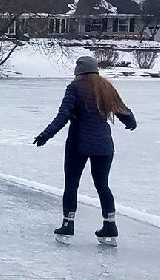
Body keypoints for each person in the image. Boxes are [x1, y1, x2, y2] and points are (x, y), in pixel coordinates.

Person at [33, 55, 137, 243]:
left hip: (78, 143)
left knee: (71, 184)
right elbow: (121, 109)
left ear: (78, 71)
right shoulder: (106, 87)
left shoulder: (75, 87)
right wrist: (130, 121)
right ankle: (110, 225)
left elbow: (63, 115)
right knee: (102, 185)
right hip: (104, 144)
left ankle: (68, 225)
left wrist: (46, 134)